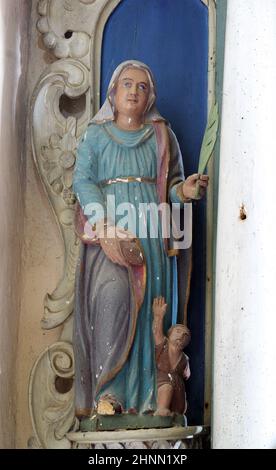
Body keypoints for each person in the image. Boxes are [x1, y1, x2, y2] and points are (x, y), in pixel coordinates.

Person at [73, 60, 208, 419]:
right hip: (112, 236)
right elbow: (83, 180)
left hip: (152, 235)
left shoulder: (162, 135)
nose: (134, 91)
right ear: (113, 94)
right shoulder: (96, 135)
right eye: (127, 85)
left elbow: (172, 186)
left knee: (154, 313)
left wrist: (186, 191)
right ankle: (109, 392)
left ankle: (151, 398)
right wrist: (102, 223)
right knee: (112, 300)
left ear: (150, 97)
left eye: (142, 87)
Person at [152, 296, 191, 417]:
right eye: (178, 331)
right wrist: (158, 316)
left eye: (186, 335)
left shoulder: (184, 359)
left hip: (178, 391)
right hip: (162, 382)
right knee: (166, 388)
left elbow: (186, 375)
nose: (182, 335)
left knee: (178, 401)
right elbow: (157, 332)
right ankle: (161, 409)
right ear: (169, 334)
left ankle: (175, 413)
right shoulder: (163, 345)